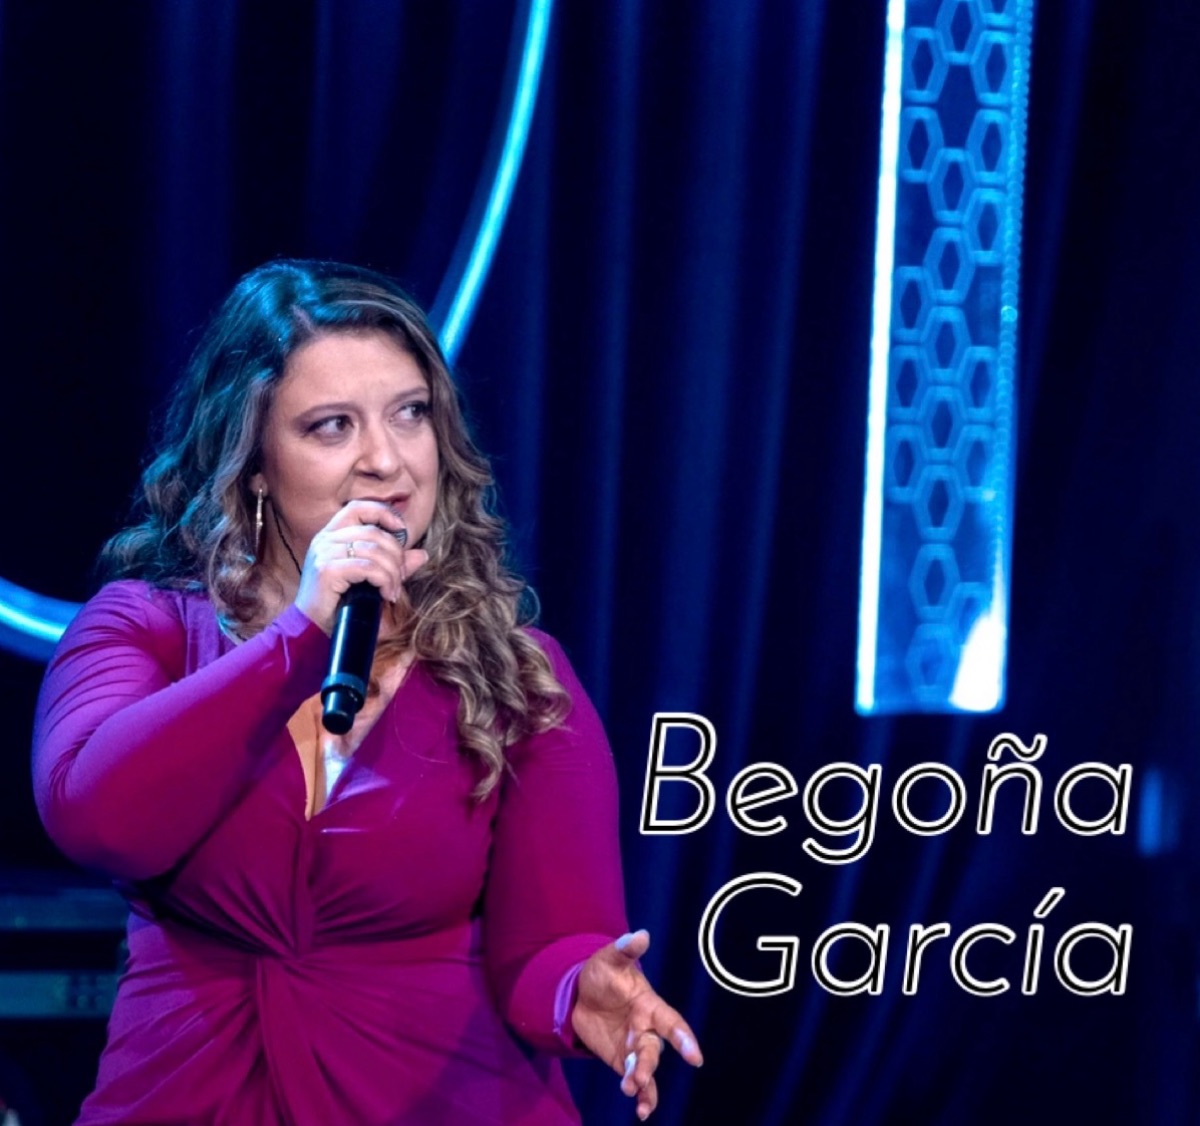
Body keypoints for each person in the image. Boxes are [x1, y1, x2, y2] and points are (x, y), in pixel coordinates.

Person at [32, 259, 702, 1125]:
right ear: (255, 461)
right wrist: (300, 636)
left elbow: (549, 939)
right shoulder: (145, 629)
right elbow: (96, 817)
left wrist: (577, 987)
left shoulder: (515, 674)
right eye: (331, 426)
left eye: (410, 414)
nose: (386, 461)